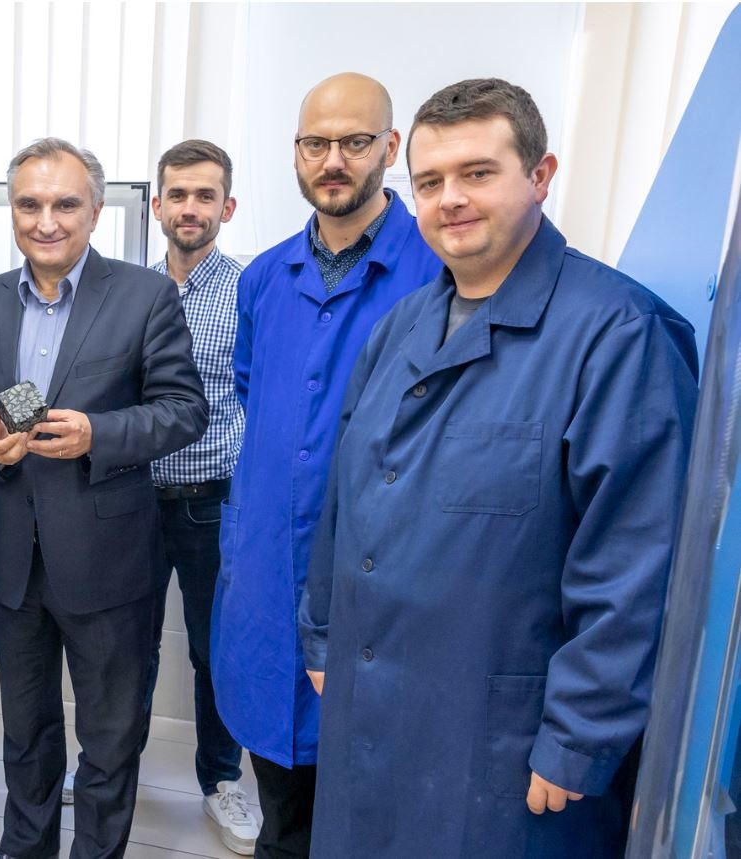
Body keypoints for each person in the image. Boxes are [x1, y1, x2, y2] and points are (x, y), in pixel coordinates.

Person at [300, 77, 699, 857]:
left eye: (477, 172)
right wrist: (321, 636)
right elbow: (345, 497)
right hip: (372, 708)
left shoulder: (618, 334)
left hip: (502, 746)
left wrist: (579, 735)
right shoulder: (400, 328)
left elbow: (636, 564)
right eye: (429, 181)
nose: (450, 198)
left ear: (540, 176)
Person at [0, 137, 208, 859]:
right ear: (11, 209)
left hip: (109, 559)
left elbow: (184, 410)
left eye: (65, 204)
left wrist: (97, 434)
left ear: (95, 211)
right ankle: (25, 847)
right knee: (25, 729)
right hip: (11, 560)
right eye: (29, 204)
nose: (46, 221)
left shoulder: (145, 296)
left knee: (110, 738)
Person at [211, 72, 441, 857]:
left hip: (384, 582)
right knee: (282, 812)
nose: (333, 160)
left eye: (354, 141)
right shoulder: (264, 279)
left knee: (371, 810)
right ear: (295, 152)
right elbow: (256, 394)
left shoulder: (437, 272)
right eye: (316, 143)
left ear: (390, 146)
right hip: (270, 577)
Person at [145, 139, 259, 854]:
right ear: (158, 205)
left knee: (215, 652)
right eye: (179, 195)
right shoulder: (127, 290)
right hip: (129, 500)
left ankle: (221, 779)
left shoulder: (251, 291)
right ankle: (111, 763)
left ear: (227, 206)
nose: (191, 208)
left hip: (213, 502)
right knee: (121, 646)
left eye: (205, 195)